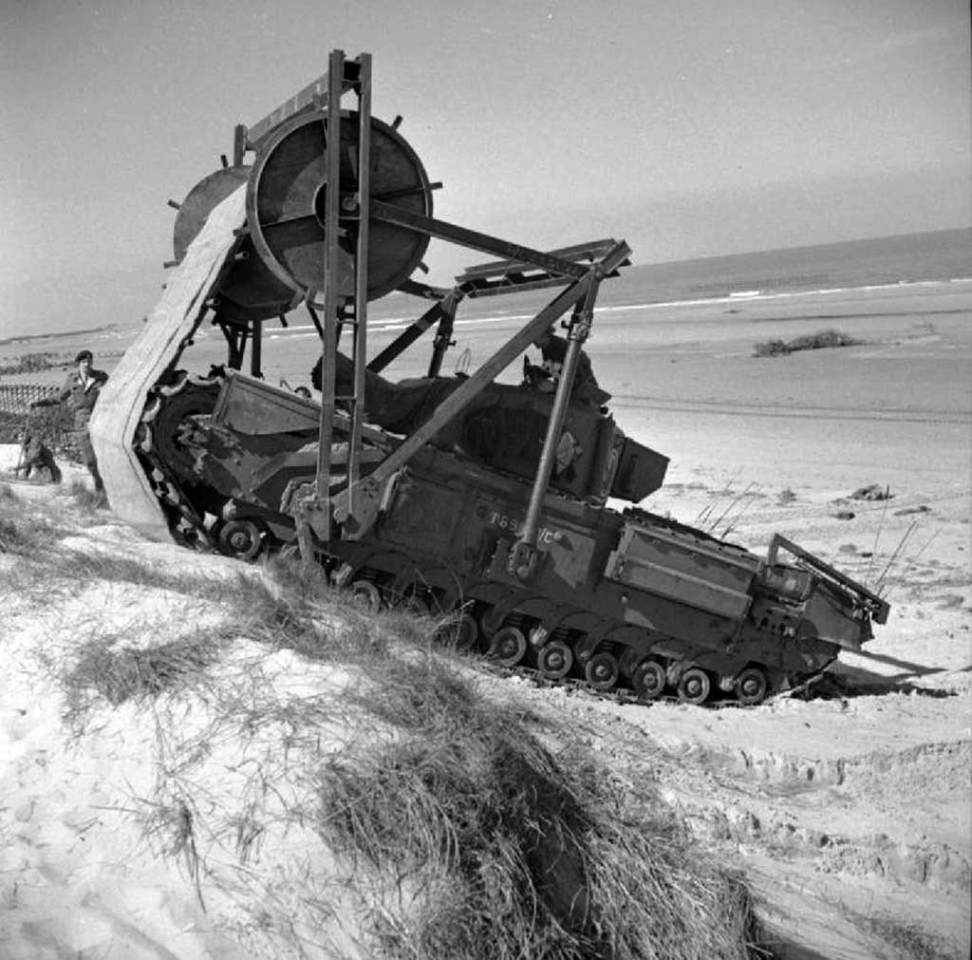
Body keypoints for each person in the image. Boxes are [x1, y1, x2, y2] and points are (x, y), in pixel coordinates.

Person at [32, 349, 108, 495]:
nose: (87, 364)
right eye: (84, 362)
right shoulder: (72, 380)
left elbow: (114, 392)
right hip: (81, 423)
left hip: (100, 420)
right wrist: (39, 403)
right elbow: (58, 398)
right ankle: (100, 486)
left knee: (105, 457)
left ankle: (108, 489)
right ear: (79, 364)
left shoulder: (102, 377)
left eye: (89, 361)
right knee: (90, 461)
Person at [528, 326, 611, 410]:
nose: (533, 342)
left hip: (583, 393)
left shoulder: (561, 348)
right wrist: (538, 371)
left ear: (544, 335)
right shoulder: (547, 348)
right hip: (571, 389)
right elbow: (553, 369)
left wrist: (554, 387)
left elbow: (577, 379)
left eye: (535, 338)